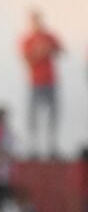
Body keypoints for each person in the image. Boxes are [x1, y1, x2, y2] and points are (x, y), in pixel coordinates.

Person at [19, 10, 63, 159]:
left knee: (52, 116)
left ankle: (51, 147)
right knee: (33, 117)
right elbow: (26, 58)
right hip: (35, 82)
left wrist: (48, 49)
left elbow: (60, 50)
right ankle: (33, 148)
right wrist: (39, 52)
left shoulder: (49, 36)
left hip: (50, 81)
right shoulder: (27, 39)